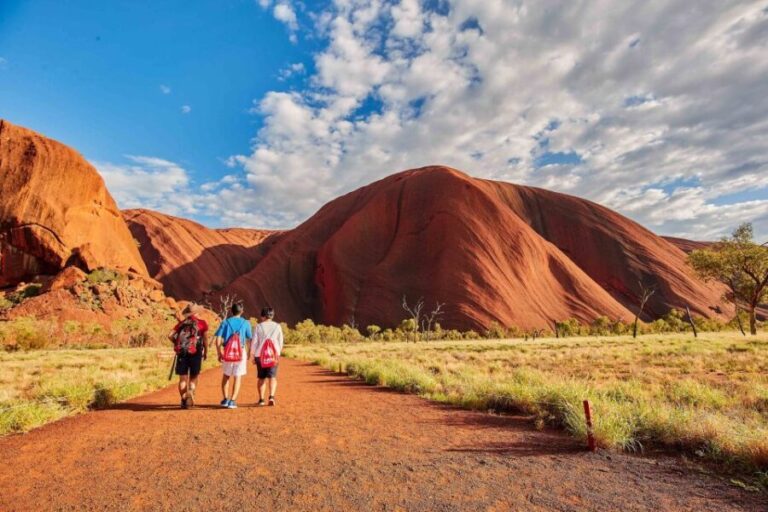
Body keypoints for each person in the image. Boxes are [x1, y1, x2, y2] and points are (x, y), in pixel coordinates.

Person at [168, 304, 209, 409]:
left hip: (182, 352)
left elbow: (170, 335)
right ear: (196, 312)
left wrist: (176, 343)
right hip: (196, 352)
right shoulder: (202, 323)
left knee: (183, 378)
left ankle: (183, 399)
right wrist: (206, 352)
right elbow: (205, 339)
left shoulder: (182, 323)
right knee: (194, 376)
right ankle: (190, 392)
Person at [214, 302, 252, 409]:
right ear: (242, 311)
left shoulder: (225, 322)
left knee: (226, 375)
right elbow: (249, 339)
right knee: (237, 376)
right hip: (241, 351)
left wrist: (219, 352)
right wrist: (248, 353)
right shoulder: (245, 323)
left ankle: (225, 399)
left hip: (227, 351)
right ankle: (232, 401)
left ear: (231, 311)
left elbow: (218, 340)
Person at [250, 306, 284, 406]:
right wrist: (278, 352)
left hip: (260, 355)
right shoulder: (277, 326)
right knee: (272, 377)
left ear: (263, 315)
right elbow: (280, 341)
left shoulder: (259, 326)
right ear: (272, 315)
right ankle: (272, 397)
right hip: (273, 355)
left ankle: (261, 400)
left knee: (261, 378)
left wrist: (252, 355)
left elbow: (254, 342)